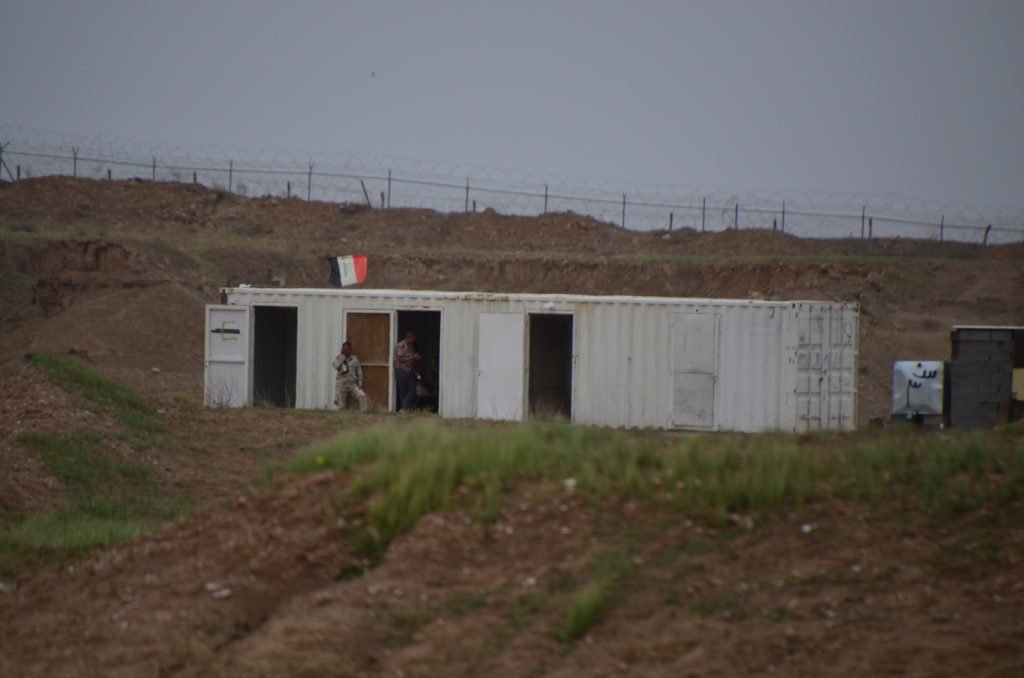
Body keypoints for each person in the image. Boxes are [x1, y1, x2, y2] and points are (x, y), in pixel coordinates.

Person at [332, 341, 369, 413]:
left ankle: (364, 414)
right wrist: (342, 357)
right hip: (341, 384)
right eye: (345, 349)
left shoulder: (354, 359)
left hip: (352, 384)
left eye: (349, 349)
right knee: (340, 405)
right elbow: (336, 366)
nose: (347, 350)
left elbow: (359, 372)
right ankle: (341, 417)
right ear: (342, 349)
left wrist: (360, 384)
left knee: (362, 396)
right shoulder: (338, 358)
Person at [394, 329, 420, 411]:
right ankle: (404, 409)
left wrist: (415, 372)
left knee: (413, 390)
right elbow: (399, 360)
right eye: (413, 338)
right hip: (401, 370)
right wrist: (412, 357)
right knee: (403, 391)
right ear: (409, 337)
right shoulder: (401, 345)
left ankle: (405, 406)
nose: (414, 340)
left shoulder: (411, 346)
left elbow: (411, 361)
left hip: (409, 371)